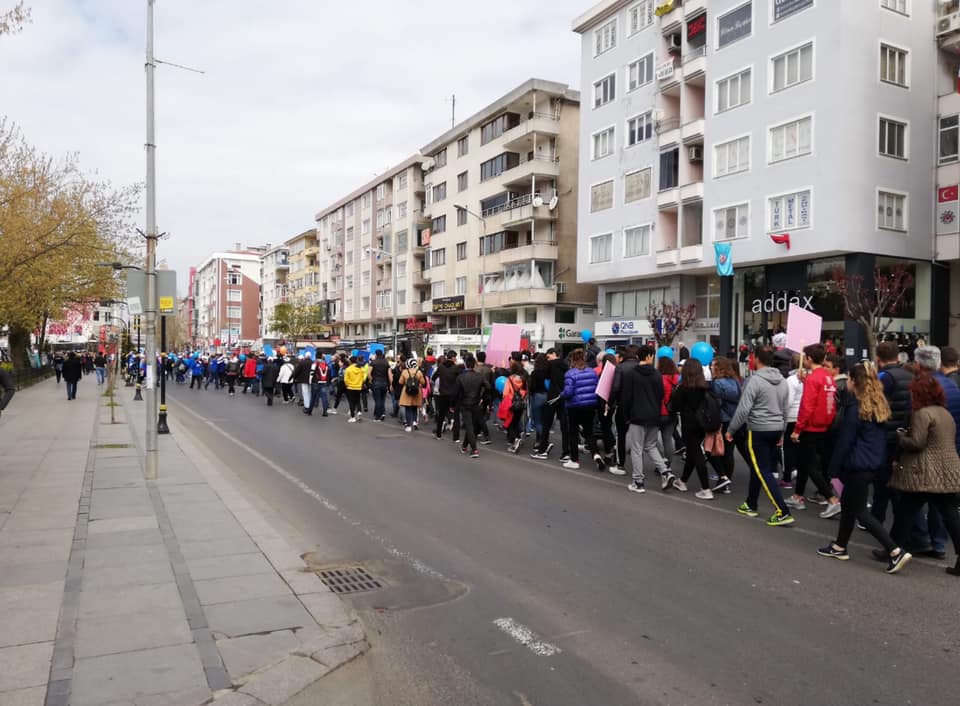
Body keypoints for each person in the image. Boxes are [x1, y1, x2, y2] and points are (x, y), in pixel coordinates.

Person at [817, 364, 911, 573]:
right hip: (873, 461)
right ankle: (839, 545)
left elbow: (846, 440)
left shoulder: (855, 407)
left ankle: (894, 550)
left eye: (850, 378)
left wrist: (833, 467)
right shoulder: (879, 404)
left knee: (859, 510)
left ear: (854, 381)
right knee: (850, 506)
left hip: (856, 463)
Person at [889, 373, 960, 577]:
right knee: (950, 514)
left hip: (925, 472)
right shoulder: (944, 413)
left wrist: (901, 437)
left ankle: (893, 549)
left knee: (906, 510)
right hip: (947, 469)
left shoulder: (922, 414)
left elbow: (917, 443)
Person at [726, 346, 795, 526]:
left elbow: (743, 409)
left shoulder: (754, 380)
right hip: (776, 427)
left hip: (758, 429)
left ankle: (782, 511)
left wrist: (731, 430)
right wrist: (782, 431)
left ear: (756, 359)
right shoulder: (782, 380)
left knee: (762, 470)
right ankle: (751, 503)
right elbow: (785, 408)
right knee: (759, 466)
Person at [787, 344, 842, 518]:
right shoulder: (827, 377)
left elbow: (807, 406)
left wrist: (797, 429)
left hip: (810, 426)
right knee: (805, 462)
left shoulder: (813, 378)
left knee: (810, 465)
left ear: (809, 359)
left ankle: (832, 499)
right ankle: (798, 496)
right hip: (824, 426)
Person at [619, 345, 674, 493]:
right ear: (649, 356)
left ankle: (638, 481)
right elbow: (661, 394)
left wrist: (626, 414)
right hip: (654, 415)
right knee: (651, 446)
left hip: (637, 415)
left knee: (637, 449)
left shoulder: (632, 374)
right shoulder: (656, 374)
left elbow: (626, 397)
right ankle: (665, 472)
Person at [874, 341, 913, 525]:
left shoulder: (884, 377)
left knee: (882, 481)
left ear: (878, 358)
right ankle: (900, 519)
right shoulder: (909, 375)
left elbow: (875, 404)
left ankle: (876, 518)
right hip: (902, 434)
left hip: (886, 434)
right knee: (896, 479)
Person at [668, 359, 714, 499]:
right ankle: (683, 481)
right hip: (702, 424)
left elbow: (674, 406)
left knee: (697, 455)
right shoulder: (705, 387)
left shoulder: (683, 388)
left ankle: (706, 488)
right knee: (692, 453)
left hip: (689, 424)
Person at [709, 357, 745, 493]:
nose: (711, 368)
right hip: (736, 419)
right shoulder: (735, 382)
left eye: (713, 366)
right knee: (730, 452)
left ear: (719, 368)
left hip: (723, 419)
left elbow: (717, 403)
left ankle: (723, 479)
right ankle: (726, 480)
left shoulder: (717, 383)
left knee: (718, 450)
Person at [558, 349, 598, 469]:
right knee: (589, 432)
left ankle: (574, 460)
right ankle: (596, 454)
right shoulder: (592, 372)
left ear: (572, 360)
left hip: (574, 406)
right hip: (590, 405)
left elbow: (569, 392)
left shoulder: (570, 373)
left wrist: (562, 394)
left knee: (573, 433)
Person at [532, 348, 569, 460]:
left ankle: (542, 450)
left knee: (546, 424)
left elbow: (545, 377)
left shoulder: (550, 365)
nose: (547, 359)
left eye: (548, 357)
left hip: (552, 397)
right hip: (563, 396)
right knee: (564, 426)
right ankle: (566, 453)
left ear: (554, 354)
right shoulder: (565, 365)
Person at [451, 355, 489, 458]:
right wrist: (482, 396)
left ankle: (474, 449)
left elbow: (455, 393)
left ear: (465, 364)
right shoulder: (479, 376)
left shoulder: (461, 377)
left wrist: (453, 405)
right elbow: (488, 386)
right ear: (474, 364)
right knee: (472, 426)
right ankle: (464, 446)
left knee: (469, 426)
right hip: (476, 403)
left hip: (464, 403)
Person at [499, 362, 529, 453]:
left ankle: (516, 439)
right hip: (520, 404)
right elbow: (526, 391)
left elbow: (505, 393)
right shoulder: (524, 379)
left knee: (509, 423)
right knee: (516, 422)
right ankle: (518, 438)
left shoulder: (510, 379)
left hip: (511, 404)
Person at [433, 350, 462, 442]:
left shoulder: (441, 367)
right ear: (453, 358)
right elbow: (460, 380)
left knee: (441, 414)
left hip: (443, 394)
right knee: (455, 415)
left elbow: (433, 377)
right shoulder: (456, 368)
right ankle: (456, 437)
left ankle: (438, 434)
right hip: (453, 394)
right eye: (455, 357)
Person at [528, 353, 549, 451]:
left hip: (537, 396)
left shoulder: (535, 373)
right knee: (545, 420)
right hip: (548, 396)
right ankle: (540, 441)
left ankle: (544, 441)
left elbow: (532, 387)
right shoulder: (549, 372)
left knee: (537, 421)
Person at [398, 359, 426, 432]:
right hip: (416, 391)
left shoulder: (404, 372)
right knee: (414, 407)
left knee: (408, 408)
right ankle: (414, 422)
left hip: (407, 391)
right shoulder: (419, 372)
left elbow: (400, 382)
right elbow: (423, 382)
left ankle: (408, 425)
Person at [367, 350, 391, 421]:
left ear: (376, 354)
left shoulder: (373, 362)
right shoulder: (386, 362)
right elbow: (389, 374)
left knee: (377, 399)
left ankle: (378, 415)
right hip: (384, 383)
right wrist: (390, 384)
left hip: (376, 382)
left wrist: (371, 379)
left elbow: (369, 373)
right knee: (382, 399)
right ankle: (383, 413)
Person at [343, 356, 366, 422]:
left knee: (351, 402)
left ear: (350, 361)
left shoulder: (348, 369)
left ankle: (352, 416)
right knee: (358, 400)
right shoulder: (361, 368)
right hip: (358, 387)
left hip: (350, 387)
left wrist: (347, 385)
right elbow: (363, 378)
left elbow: (346, 380)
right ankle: (359, 412)